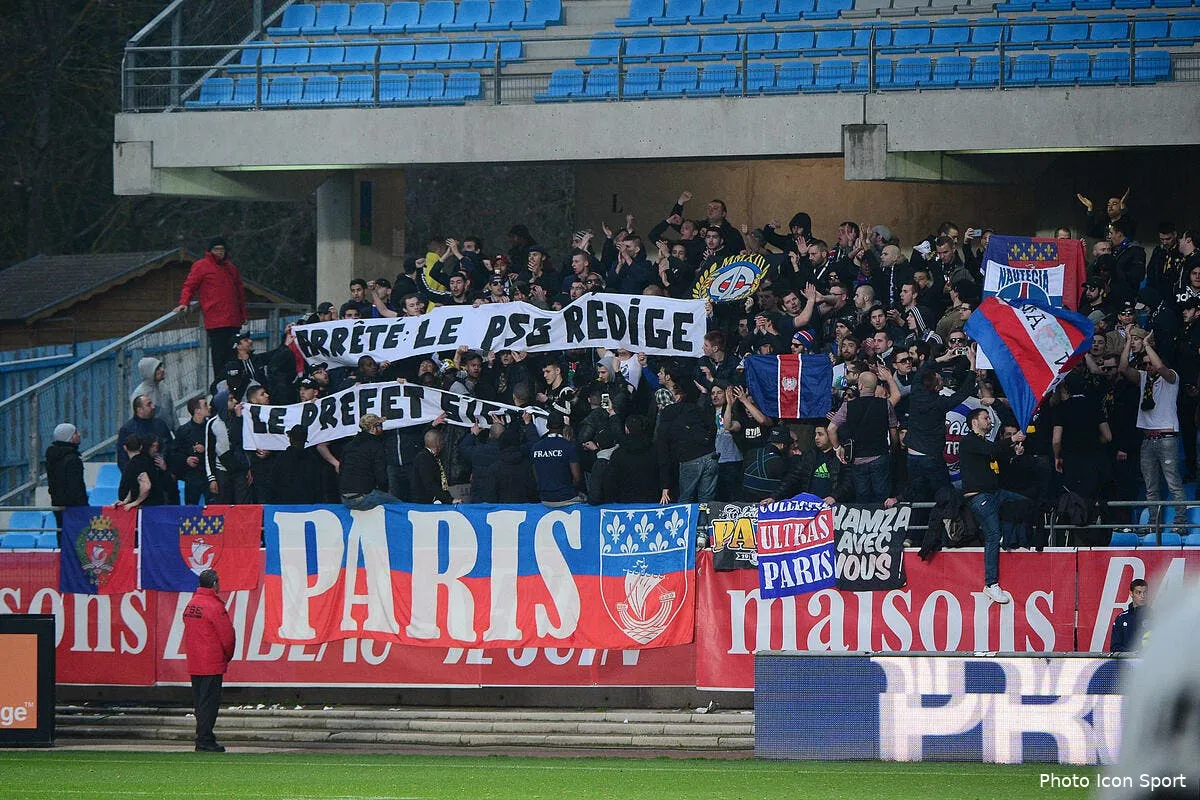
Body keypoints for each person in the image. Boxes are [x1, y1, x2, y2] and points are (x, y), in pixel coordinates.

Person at [960, 408, 1026, 605]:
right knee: (992, 536)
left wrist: (1015, 452)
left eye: (989, 417)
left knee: (1025, 503)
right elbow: (991, 450)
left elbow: (996, 453)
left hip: (996, 493)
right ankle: (991, 584)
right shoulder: (968, 441)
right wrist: (1012, 439)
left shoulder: (984, 443)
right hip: (980, 496)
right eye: (986, 418)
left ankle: (1009, 535)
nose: (989, 421)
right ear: (974, 422)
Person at [174, 238, 248, 380]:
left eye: (222, 249)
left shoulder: (231, 268)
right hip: (216, 321)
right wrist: (184, 302)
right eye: (216, 249)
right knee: (220, 358)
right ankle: (221, 386)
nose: (219, 252)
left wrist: (243, 315)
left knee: (234, 356)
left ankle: (234, 385)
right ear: (210, 251)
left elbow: (240, 293)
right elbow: (189, 286)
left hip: (233, 320)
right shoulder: (201, 266)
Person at [182, 568, 236, 753]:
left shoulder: (191, 604)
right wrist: (226, 656)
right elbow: (227, 636)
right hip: (211, 662)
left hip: (195, 661)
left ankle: (203, 736)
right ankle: (204, 739)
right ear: (214, 584)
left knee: (200, 703)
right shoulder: (215, 606)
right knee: (209, 703)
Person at [340, 414, 401, 509]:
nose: (382, 428)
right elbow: (381, 476)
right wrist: (383, 491)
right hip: (363, 497)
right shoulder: (376, 446)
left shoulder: (349, 445)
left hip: (345, 497)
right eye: (380, 425)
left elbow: (341, 468)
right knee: (399, 506)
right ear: (373, 428)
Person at [528, 412, 583, 505]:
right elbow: (577, 478)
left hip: (545, 498)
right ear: (563, 426)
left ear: (547, 426)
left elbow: (536, 476)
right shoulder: (569, 447)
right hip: (567, 497)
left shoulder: (535, 447)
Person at [45, 423, 87, 539]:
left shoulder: (52, 458)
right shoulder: (72, 459)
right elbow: (76, 487)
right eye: (75, 433)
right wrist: (83, 505)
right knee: (76, 539)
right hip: (74, 507)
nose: (79, 434)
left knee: (62, 535)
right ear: (70, 437)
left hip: (57, 503)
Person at [171, 397, 212, 505]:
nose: (209, 407)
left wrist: (206, 449)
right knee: (191, 507)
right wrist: (186, 459)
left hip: (209, 475)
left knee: (212, 506)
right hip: (192, 476)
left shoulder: (211, 428)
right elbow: (174, 453)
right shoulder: (183, 431)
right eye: (205, 405)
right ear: (197, 410)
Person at [117, 395, 174, 471]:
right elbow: (122, 458)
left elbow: (170, 447)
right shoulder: (127, 430)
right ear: (139, 410)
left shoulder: (160, 425)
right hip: (139, 473)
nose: (153, 407)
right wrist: (132, 475)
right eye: (149, 404)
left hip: (161, 472)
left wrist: (170, 470)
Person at [115, 434, 165, 510]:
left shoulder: (134, 464)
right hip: (156, 504)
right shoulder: (147, 461)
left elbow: (146, 486)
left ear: (125, 448)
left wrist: (135, 502)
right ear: (141, 447)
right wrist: (125, 501)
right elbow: (134, 484)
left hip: (148, 507)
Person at [410, 428, 456, 505]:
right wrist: (449, 500)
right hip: (424, 503)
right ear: (438, 442)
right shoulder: (424, 458)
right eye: (442, 440)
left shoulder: (433, 456)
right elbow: (430, 484)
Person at [130, 357, 178, 430]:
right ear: (149, 372)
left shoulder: (164, 387)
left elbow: (173, 413)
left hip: (168, 434)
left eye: (161, 367)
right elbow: (136, 422)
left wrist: (178, 432)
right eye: (157, 368)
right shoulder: (140, 394)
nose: (162, 370)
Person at [1110, 578, 1149, 653]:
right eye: (1138, 592)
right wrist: (1131, 653)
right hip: (1127, 660)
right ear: (1131, 593)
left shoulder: (1155, 616)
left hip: (1150, 659)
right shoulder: (1122, 618)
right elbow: (1115, 647)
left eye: (1145, 592)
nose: (1142, 596)